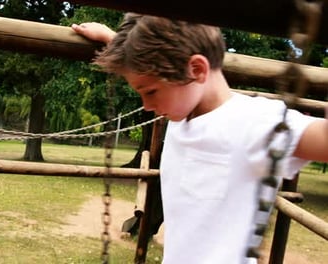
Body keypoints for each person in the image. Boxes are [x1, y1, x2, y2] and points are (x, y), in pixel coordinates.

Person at [72, 13, 328, 264]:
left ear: (196, 69)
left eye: (150, 91)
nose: (146, 105)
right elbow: (152, 58)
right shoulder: (182, 111)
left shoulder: (258, 122)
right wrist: (113, 39)